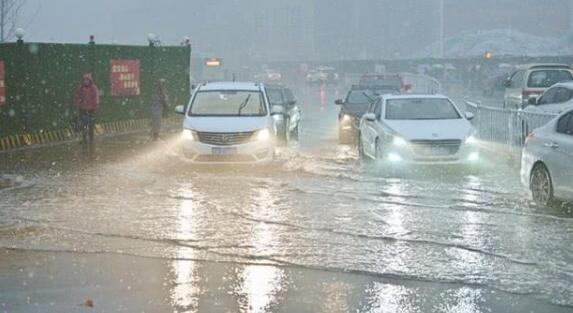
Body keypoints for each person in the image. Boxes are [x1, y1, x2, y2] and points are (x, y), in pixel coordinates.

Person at [74, 73, 100, 154]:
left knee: (91, 125)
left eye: (87, 80)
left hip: (91, 109)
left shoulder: (93, 88)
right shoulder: (81, 88)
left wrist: (95, 106)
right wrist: (78, 104)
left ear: (90, 80)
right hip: (83, 109)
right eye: (85, 80)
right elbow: (78, 97)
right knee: (84, 125)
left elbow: (95, 98)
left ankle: (91, 139)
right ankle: (85, 139)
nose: (86, 81)